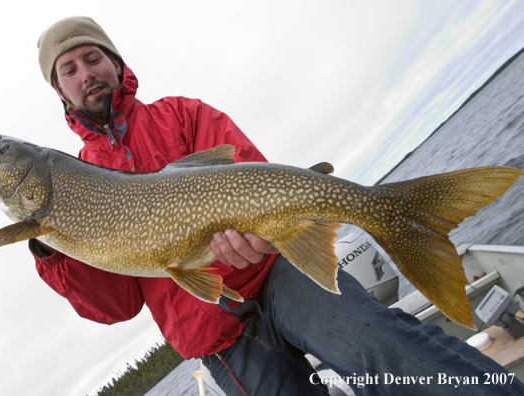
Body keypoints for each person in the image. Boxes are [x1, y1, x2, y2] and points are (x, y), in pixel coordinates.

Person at [32, 17, 524, 395]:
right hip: (212, 332)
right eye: (69, 69)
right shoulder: (71, 191)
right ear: (60, 91)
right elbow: (118, 304)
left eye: (93, 57)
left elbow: (254, 176)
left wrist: (256, 234)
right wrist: (50, 252)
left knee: (383, 347)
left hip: (277, 268)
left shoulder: (183, 114)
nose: (86, 74)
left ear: (116, 64)